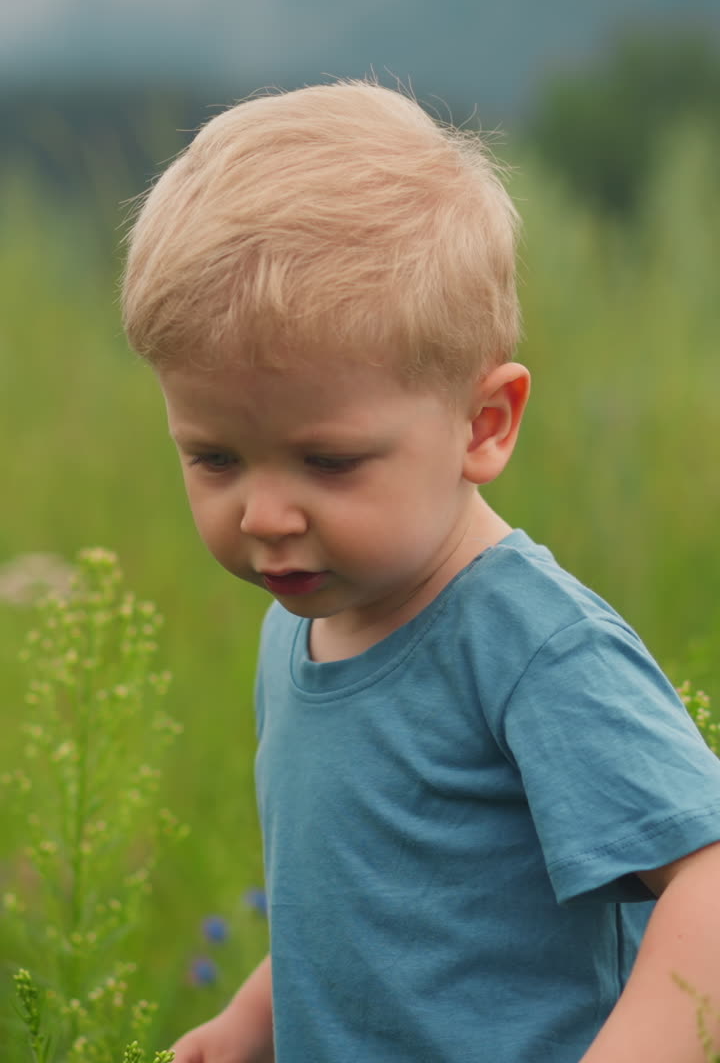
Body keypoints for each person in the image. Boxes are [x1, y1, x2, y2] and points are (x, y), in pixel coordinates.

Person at [121, 80, 720, 1063]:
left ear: (484, 424)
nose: (264, 513)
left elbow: (708, 878)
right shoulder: (301, 623)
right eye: (215, 456)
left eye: (330, 460)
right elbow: (371, 908)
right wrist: (258, 1019)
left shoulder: (529, 644)